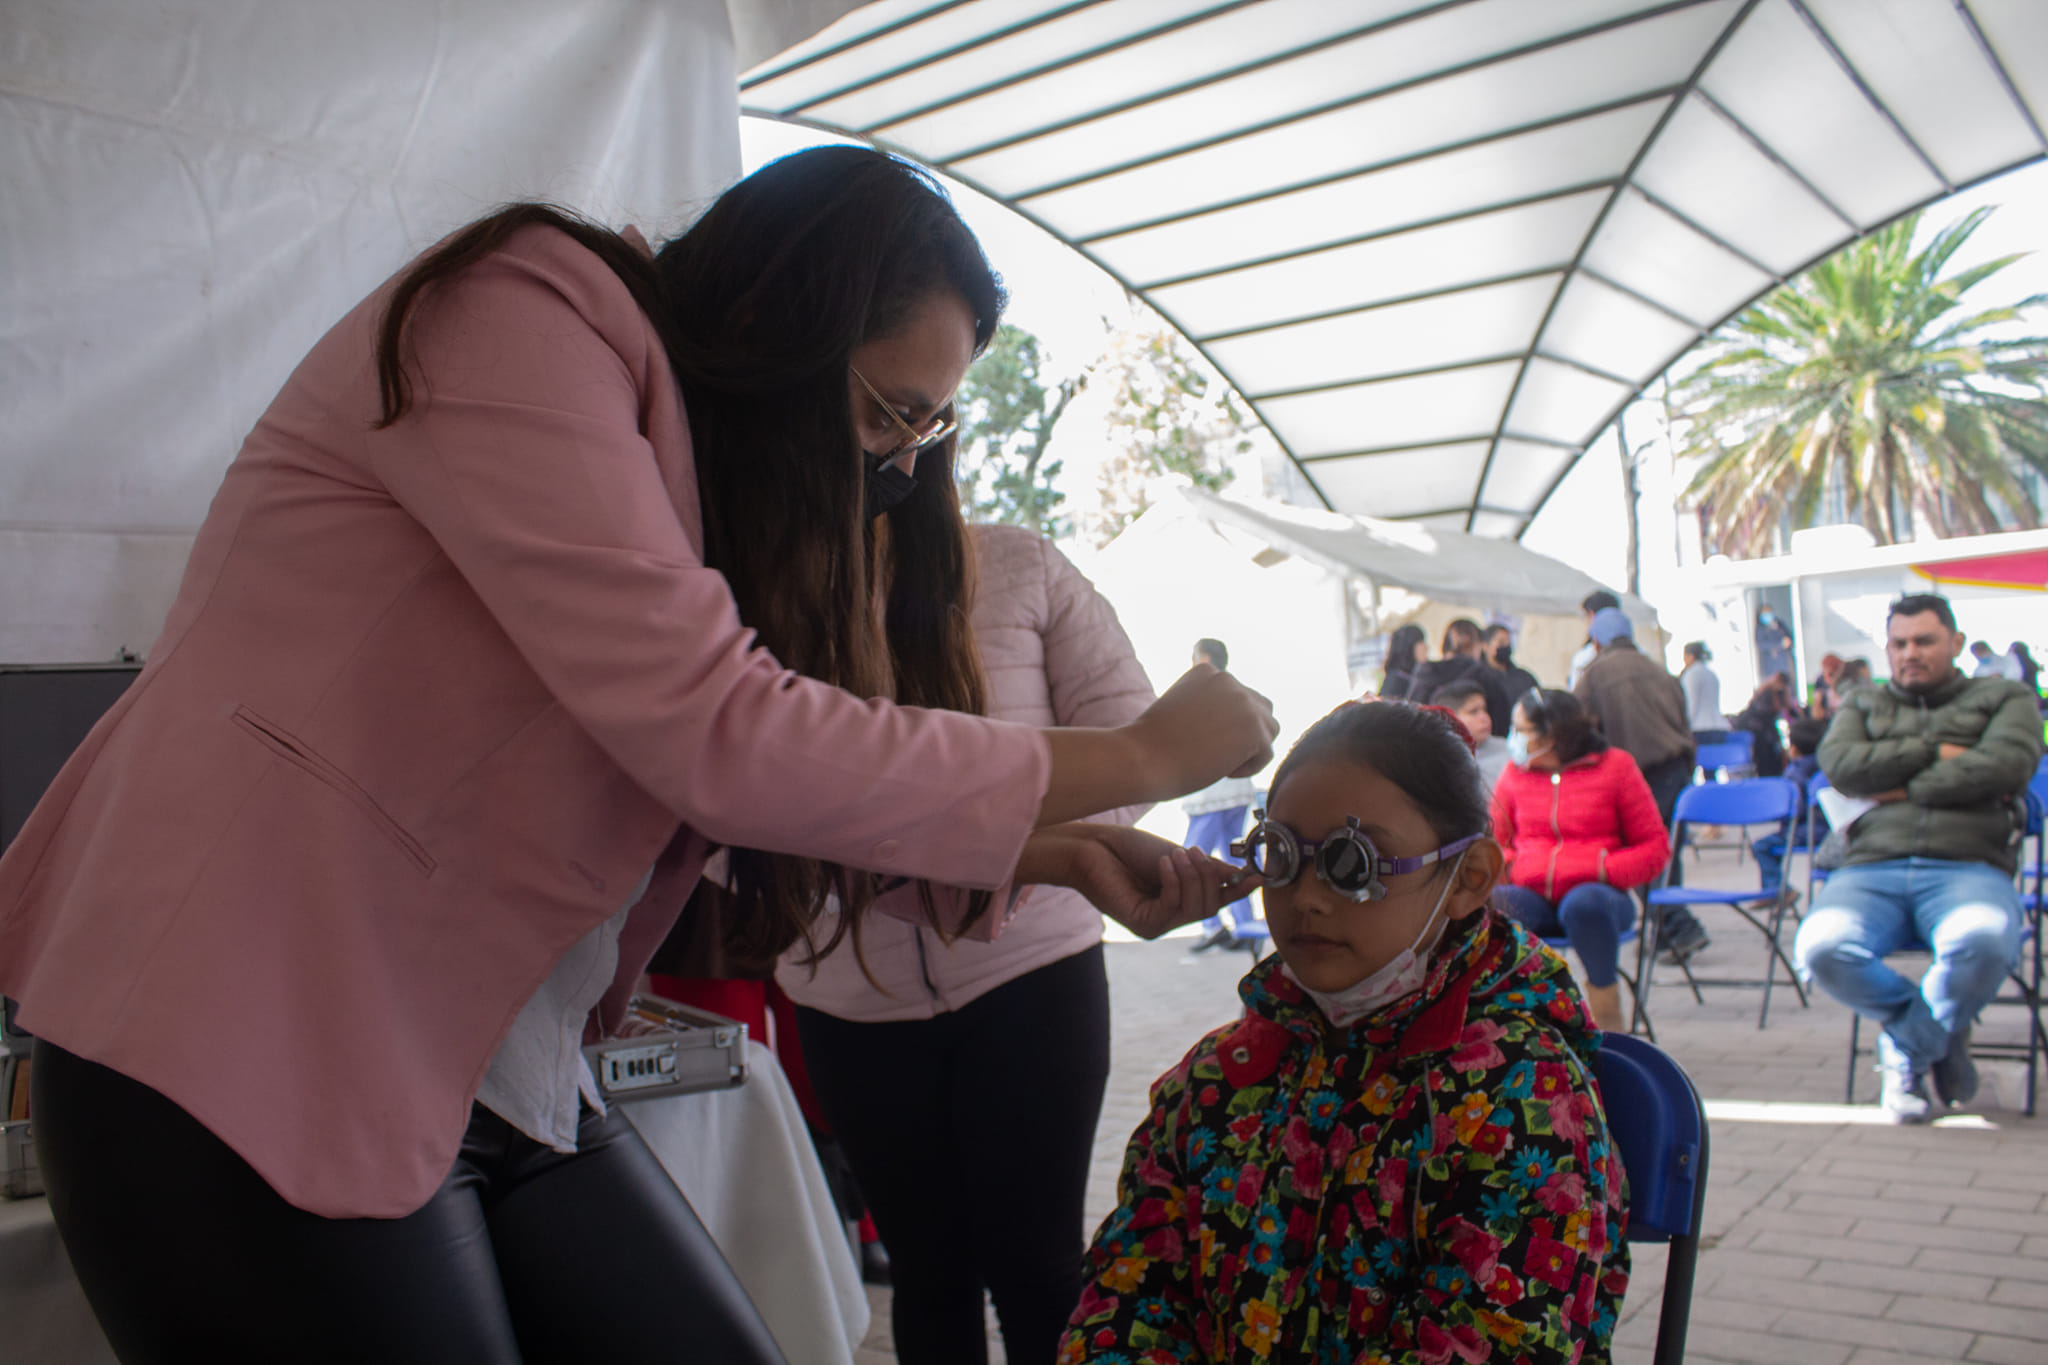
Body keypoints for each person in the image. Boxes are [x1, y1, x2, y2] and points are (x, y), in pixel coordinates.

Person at [0, 148, 1281, 1364]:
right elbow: (719, 732)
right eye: (888, 415)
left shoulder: (673, 485)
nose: (891, 471)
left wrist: (1045, 849)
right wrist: (1142, 753)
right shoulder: (522, 312)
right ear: (785, 319)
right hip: (244, 1029)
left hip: (488, 1059)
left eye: (922, 438)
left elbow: (703, 799)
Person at [1060, 700, 1629, 1364]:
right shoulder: (1218, 1082)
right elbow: (1128, 1302)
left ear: (1468, 878)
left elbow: (1493, 1342)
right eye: (1281, 855)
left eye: (1352, 863)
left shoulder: (1526, 1101)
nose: (1306, 897)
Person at [779, 524, 1154, 1365]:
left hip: (1035, 974)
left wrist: (1025, 861)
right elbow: (741, 793)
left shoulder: (1022, 563)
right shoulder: (767, 581)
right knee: (928, 1271)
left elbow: (1134, 742)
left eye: (922, 418)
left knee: (1041, 1267)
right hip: (849, 998)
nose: (895, 449)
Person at [1793, 594, 2043, 1123]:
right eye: (1900, 643)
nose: (1911, 653)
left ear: (1954, 642)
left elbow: (2006, 767)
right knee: (1821, 949)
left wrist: (1895, 786)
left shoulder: (2005, 698)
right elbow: (1841, 767)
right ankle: (1941, 1034)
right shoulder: (1863, 702)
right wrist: (1936, 751)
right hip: (1869, 866)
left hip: (1968, 863)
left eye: (1924, 641)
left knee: (1983, 942)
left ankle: (1905, 1048)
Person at [1493, 690, 1671, 1033]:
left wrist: (1603, 869)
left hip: (1600, 899)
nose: (1513, 738)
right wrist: (1515, 867)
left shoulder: (1616, 767)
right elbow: (1494, 844)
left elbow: (1654, 848)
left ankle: (1609, 1022)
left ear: (1552, 735)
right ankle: (1524, 1017)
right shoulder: (1514, 774)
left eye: (1522, 730)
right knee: (1500, 905)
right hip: (1535, 896)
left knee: (1583, 905)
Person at [1573, 607, 1708, 960]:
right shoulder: (1660, 670)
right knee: (1665, 853)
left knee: (1636, 855)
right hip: (1673, 770)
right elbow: (1685, 725)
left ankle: (1679, 925)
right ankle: (1667, 932)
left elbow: (1578, 731)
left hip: (1635, 775)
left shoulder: (1593, 675)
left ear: (1597, 641)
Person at [1182, 638, 1261, 953]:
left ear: (1202, 660)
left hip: (1210, 792)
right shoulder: (1239, 692)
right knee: (1235, 855)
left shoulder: (1197, 694)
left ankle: (1212, 925)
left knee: (1191, 857)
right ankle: (1245, 925)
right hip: (1237, 790)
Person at [1752, 715, 1830, 896]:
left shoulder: (1794, 772)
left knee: (1761, 846)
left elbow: (1795, 809)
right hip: (1828, 833)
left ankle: (1776, 891)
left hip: (1800, 832)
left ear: (1793, 749)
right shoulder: (1829, 768)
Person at [1405, 617, 1516, 735]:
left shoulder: (1424, 674)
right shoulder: (1483, 676)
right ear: (1476, 645)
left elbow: (1410, 715)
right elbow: (1502, 719)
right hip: (1475, 749)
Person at [1430, 678, 1508, 791]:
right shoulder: (1443, 763)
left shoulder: (1508, 750)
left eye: (1485, 710)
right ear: (1452, 719)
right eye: (1473, 712)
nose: (1484, 717)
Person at [1728, 674, 1792, 779]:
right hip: (1759, 733)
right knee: (1766, 762)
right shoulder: (1766, 693)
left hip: (1762, 732)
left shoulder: (1766, 691)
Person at [1566, 588, 1620, 689]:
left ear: (1592, 615)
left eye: (1586, 616)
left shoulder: (1584, 659)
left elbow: (1576, 696)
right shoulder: (1641, 655)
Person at [1679, 640, 1728, 745]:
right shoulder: (1711, 674)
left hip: (1700, 730)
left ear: (1690, 657)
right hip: (1719, 729)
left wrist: (1682, 728)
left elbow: (1691, 705)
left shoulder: (1691, 674)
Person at [1485, 621, 1542, 700]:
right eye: (1501, 642)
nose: (1506, 646)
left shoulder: (1524, 678)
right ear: (1486, 646)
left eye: (1508, 643)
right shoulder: (1481, 678)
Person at [1380, 623, 1428, 702]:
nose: (1426, 647)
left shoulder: (1413, 674)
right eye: (1421, 642)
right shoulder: (1396, 680)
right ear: (1409, 646)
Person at [1755, 603, 1795, 686]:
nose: (1768, 616)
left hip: (1784, 662)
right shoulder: (1760, 628)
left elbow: (1789, 635)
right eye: (1765, 614)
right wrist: (1779, 644)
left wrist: (1787, 641)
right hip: (1772, 665)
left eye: (1769, 612)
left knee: (1787, 685)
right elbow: (1761, 644)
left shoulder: (1779, 623)